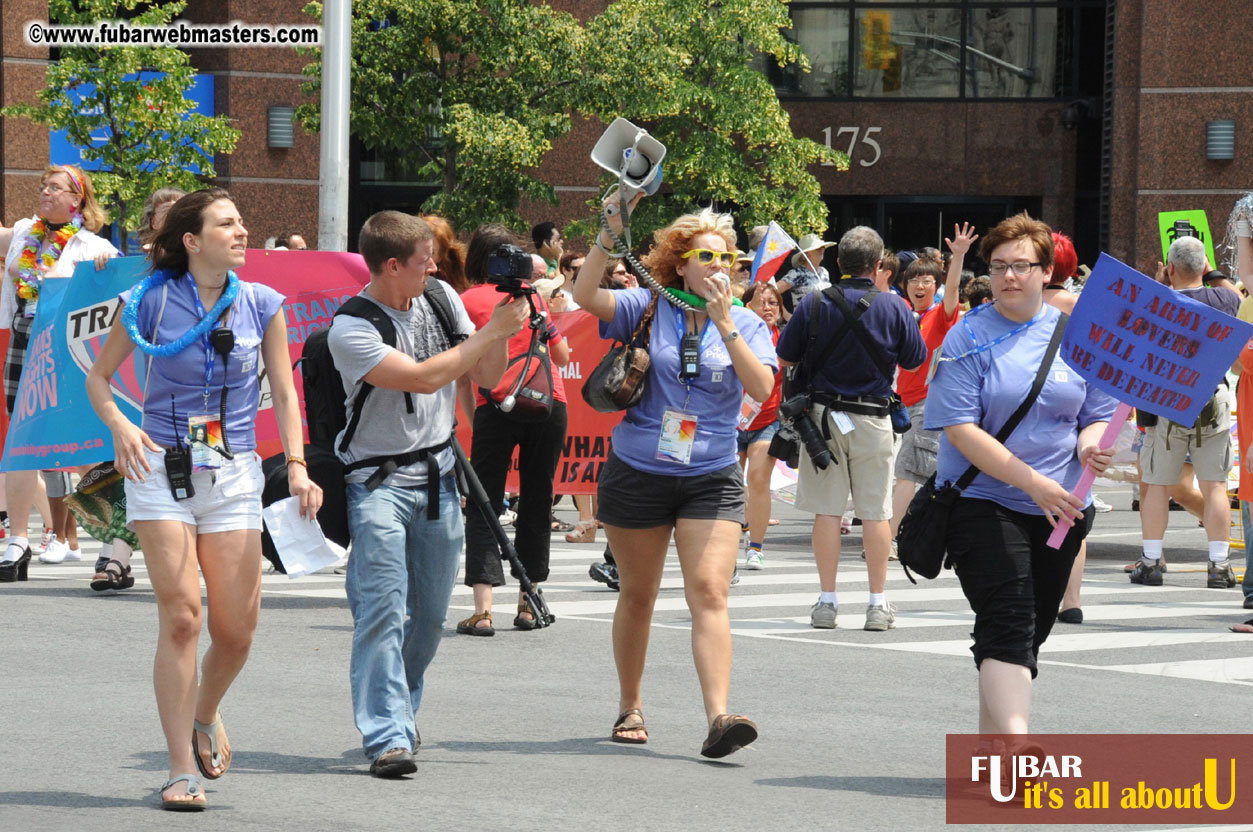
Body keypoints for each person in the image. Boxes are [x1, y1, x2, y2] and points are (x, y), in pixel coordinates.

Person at [85, 187, 322, 809]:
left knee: (237, 631)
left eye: (242, 222)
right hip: (160, 468)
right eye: (227, 223)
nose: (242, 231)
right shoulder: (148, 301)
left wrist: (296, 465)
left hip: (235, 473)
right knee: (185, 616)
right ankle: (178, 766)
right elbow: (99, 378)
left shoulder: (264, 303)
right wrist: (121, 423)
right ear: (192, 240)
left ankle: (205, 710)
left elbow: (285, 392)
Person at [573, 189, 776, 758]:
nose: (717, 267)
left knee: (710, 590)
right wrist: (609, 233)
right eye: (705, 256)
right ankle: (630, 704)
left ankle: (718, 717)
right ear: (679, 262)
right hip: (639, 469)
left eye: (726, 259)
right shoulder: (646, 305)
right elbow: (584, 294)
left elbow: (761, 391)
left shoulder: (746, 320)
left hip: (711, 472)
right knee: (638, 594)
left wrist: (725, 324)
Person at [327, 210, 526, 778]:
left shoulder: (440, 296)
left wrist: (503, 332)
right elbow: (421, 377)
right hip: (377, 484)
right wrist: (492, 330)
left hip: (439, 479)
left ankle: (402, 702)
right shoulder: (352, 328)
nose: (436, 266)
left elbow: (485, 377)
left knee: (431, 615)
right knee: (382, 610)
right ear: (393, 265)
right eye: (424, 260)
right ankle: (387, 734)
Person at [925, 212, 1116, 734]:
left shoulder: (1077, 336)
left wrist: (1092, 446)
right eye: (1000, 266)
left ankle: (992, 756)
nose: (1010, 276)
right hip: (981, 502)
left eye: (1022, 266)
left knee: (1026, 632)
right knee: (1009, 620)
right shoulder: (968, 336)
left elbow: (1094, 414)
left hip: (1061, 511)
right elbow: (960, 428)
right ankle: (1017, 745)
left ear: (1046, 270)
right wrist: (1033, 482)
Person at [776, 226, 926, 632]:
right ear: (879, 266)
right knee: (876, 513)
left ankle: (827, 601)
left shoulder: (813, 303)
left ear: (839, 263)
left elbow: (785, 356)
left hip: (821, 420)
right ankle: (878, 604)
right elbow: (914, 362)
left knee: (827, 512)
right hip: (874, 419)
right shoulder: (894, 308)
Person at [0, 164, 118, 583]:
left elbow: (113, 297)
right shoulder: (23, 235)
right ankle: (17, 541)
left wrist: (106, 263)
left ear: (77, 200)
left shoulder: (90, 246)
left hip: (67, 346)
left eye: (56, 188)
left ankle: (110, 539)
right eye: (43, 185)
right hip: (24, 337)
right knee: (22, 437)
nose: (45, 192)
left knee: (84, 443)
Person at [456, 229, 570, 636]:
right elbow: (561, 355)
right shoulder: (532, 298)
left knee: (484, 501)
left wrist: (476, 418)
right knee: (538, 499)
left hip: (495, 405)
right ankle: (528, 602)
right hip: (548, 402)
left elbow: (462, 372)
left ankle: (483, 610)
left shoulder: (466, 301)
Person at [1131, 235, 1240, 589]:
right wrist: (1210, 270)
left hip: (1164, 402)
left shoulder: (1156, 302)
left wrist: (1162, 283)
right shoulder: (1223, 299)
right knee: (1215, 487)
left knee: (1158, 486)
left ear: (1171, 268)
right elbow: (1235, 296)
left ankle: (1150, 561)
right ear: (1203, 266)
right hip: (1212, 399)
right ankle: (1219, 565)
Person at [889, 224, 974, 544]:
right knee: (930, 475)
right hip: (904, 406)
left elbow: (953, 293)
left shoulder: (940, 314)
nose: (918, 285)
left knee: (906, 473)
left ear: (935, 285)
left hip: (927, 404)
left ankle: (892, 539)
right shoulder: (907, 315)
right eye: (912, 279)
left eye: (926, 280)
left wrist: (958, 257)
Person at [737, 282, 785, 570]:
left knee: (757, 479)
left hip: (767, 420)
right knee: (729, 483)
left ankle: (755, 547)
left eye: (773, 303)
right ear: (747, 307)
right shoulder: (735, 335)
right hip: (731, 422)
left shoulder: (785, 339)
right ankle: (734, 534)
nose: (767, 308)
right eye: (760, 302)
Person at [775, 233, 834, 315]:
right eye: (818, 248)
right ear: (807, 254)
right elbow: (773, 290)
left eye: (823, 247)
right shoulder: (797, 274)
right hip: (804, 323)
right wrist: (785, 315)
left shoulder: (824, 272)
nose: (822, 250)